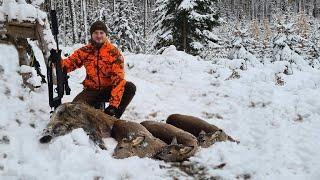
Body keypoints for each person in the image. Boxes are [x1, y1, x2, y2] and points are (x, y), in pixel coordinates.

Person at [50, 21, 136, 119]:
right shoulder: (85, 51)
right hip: (91, 91)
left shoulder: (114, 53)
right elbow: (69, 64)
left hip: (108, 89)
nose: (98, 36)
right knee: (74, 110)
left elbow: (118, 79)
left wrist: (113, 105)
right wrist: (57, 61)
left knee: (129, 87)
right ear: (91, 35)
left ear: (105, 35)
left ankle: (113, 118)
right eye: (96, 33)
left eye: (101, 33)